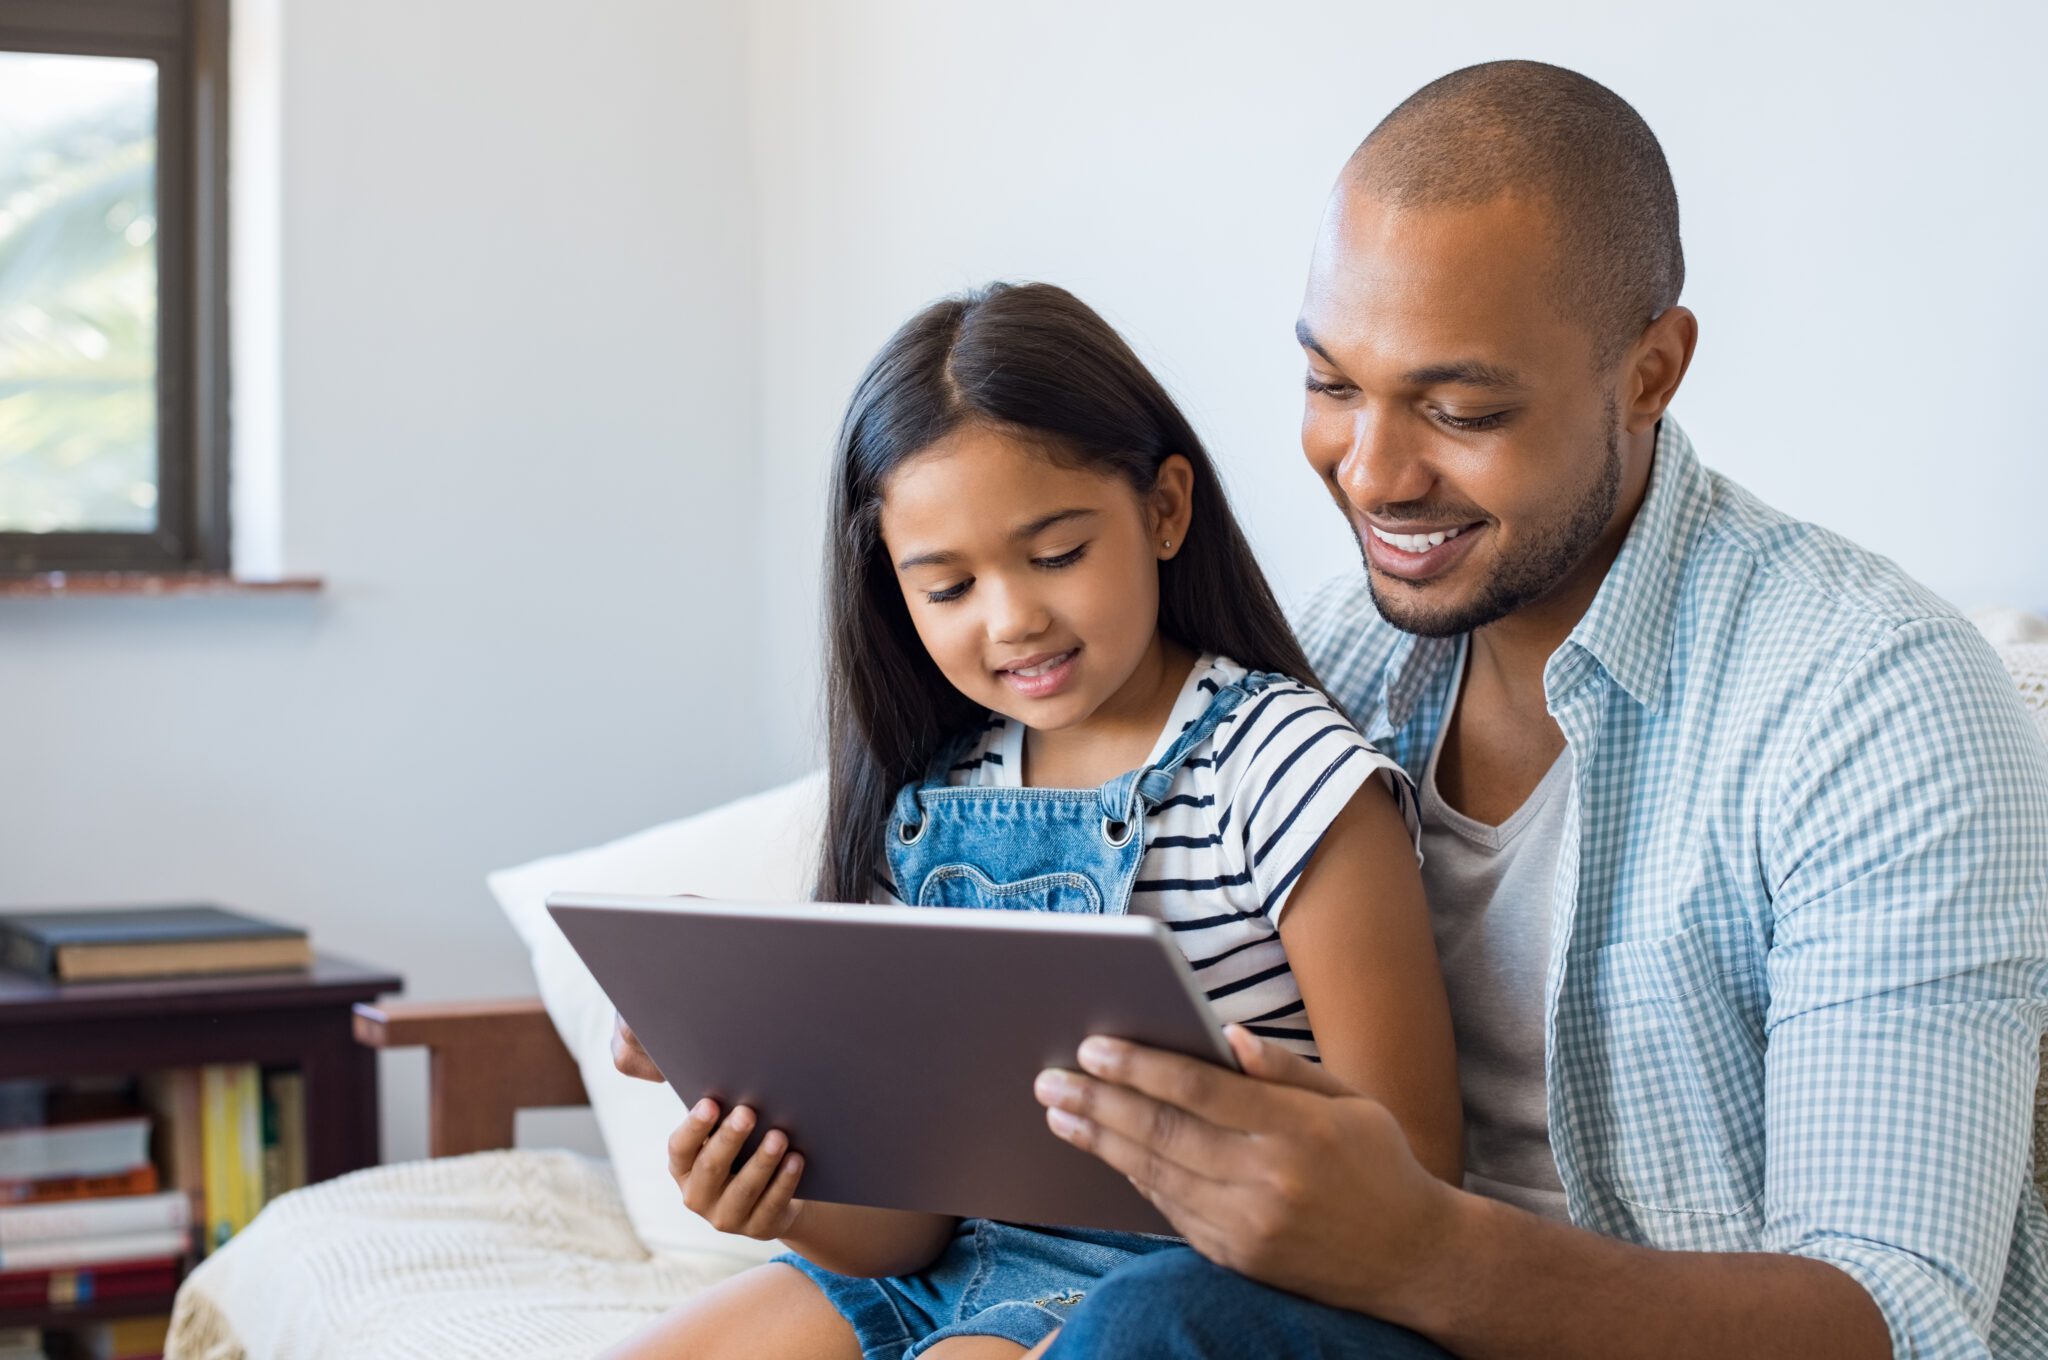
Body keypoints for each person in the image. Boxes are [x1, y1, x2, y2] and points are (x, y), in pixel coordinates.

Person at [1023, 60, 2048, 1359]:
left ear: (1650, 373)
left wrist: (1422, 1251)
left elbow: (1903, 1320)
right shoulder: (1319, 667)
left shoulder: (1873, 701)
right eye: (1333, 385)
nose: (1375, 473)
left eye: (1462, 410)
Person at [600, 281, 1462, 1360]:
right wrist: (782, 1189)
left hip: (1207, 1280)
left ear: (1162, 510)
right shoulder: (929, 798)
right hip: (956, 1273)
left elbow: (1418, 1173)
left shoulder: (1281, 771)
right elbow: (907, 1229)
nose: (1012, 618)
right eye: (948, 587)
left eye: (1055, 554)